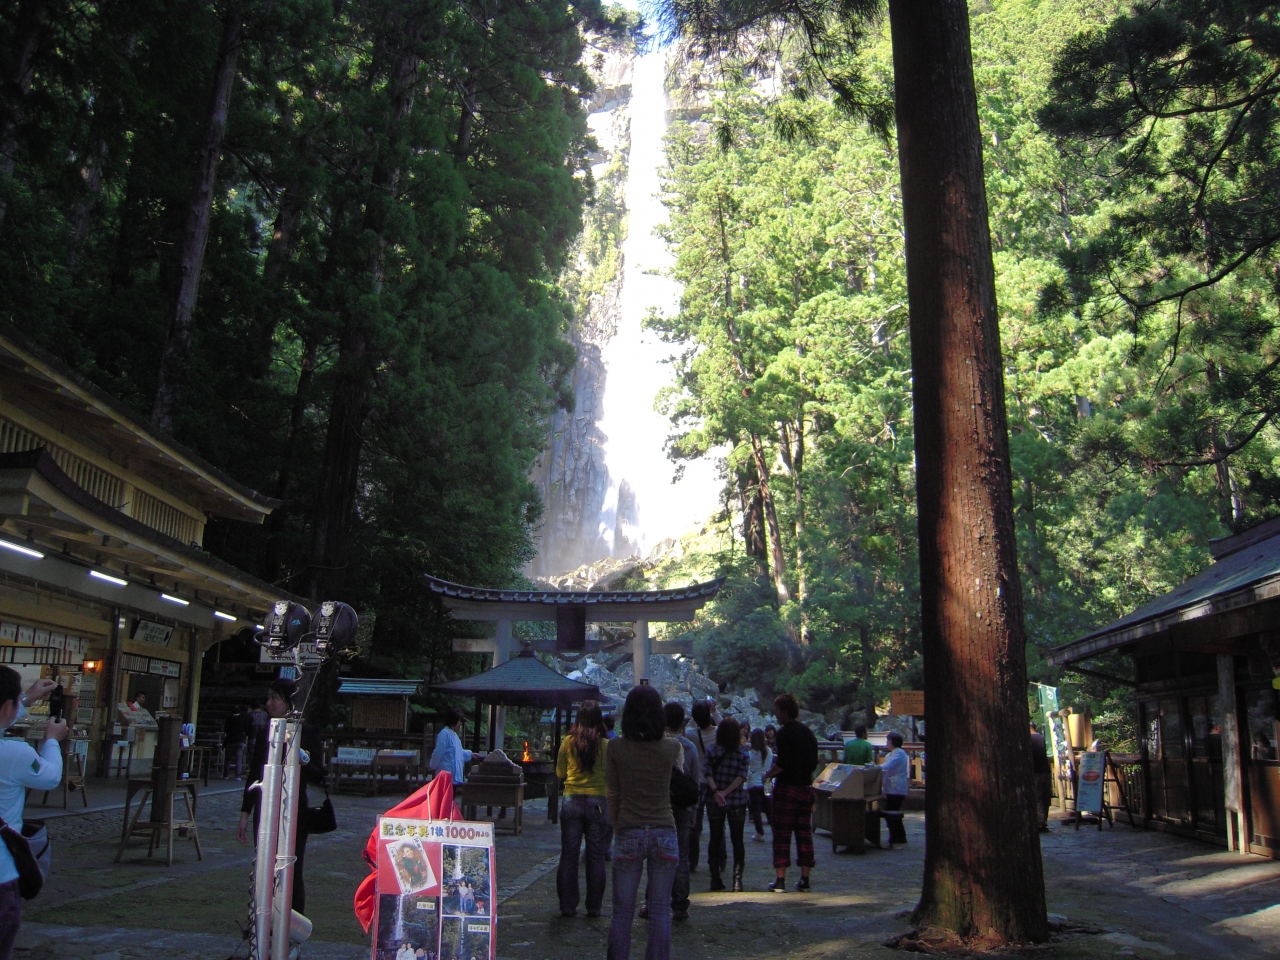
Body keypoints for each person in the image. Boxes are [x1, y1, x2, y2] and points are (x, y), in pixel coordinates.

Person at [605, 684, 682, 960]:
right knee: (660, 909)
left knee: (622, 912)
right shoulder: (672, 748)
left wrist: (618, 825)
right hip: (664, 829)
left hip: (629, 828)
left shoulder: (616, 748)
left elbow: (613, 793)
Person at [237, 678, 325, 913]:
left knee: (291, 870)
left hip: (294, 809)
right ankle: (262, 920)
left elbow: (318, 775)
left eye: (275, 698)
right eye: (269, 697)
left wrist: (300, 756)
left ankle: (292, 923)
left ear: (289, 703)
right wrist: (245, 812)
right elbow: (255, 772)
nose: (269, 703)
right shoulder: (266, 730)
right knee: (264, 867)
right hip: (265, 808)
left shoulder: (305, 732)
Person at [0, 671, 64, 960]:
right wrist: (52, 740)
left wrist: (25, 698)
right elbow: (51, 777)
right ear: (7, 707)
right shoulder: (15, 754)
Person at [555, 699, 610, 918]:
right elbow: (610, 775)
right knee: (596, 856)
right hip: (597, 802)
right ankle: (594, 906)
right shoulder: (605, 745)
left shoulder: (568, 742)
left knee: (569, 854)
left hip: (572, 800)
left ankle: (568, 905)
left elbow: (560, 773)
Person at [766, 692, 817, 892]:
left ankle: (780, 880)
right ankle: (805, 879)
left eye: (778, 711)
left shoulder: (784, 733)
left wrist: (768, 774)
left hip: (787, 788)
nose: (776, 715)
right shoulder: (808, 733)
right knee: (804, 834)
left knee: (782, 834)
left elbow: (783, 762)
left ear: (785, 712)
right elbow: (813, 762)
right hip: (805, 787)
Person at [703, 716, 750, 892]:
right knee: (737, 840)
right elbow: (742, 776)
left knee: (715, 838)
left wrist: (717, 792)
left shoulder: (712, 750)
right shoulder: (742, 752)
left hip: (714, 799)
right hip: (736, 799)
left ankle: (715, 878)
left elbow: (707, 773)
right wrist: (727, 792)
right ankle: (737, 880)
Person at [664, 701, 700, 920]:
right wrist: (694, 810)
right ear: (682, 723)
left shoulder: (656, 744)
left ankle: (653, 900)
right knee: (682, 855)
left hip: (660, 805)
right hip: (684, 806)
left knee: (657, 855)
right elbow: (695, 781)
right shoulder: (689, 747)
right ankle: (680, 904)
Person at [686, 700, 716, 872]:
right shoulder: (718, 733)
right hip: (714, 783)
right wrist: (715, 711)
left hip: (697, 781)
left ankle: (692, 860)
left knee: (694, 825)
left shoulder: (691, 734)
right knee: (716, 823)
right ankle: (718, 859)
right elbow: (724, 725)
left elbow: (682, 734)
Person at [880, 732, 910, 845]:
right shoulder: (890, 754)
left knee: (891, 811)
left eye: (888, 740)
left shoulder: (899, 753)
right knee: (892, 811)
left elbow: (889, 766)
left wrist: (876, 767)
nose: (887, 743)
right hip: (891, 787)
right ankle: (898, 835)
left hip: (897, 787)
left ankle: (897, 836)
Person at [429, 708, 473, 785]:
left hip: (453, 775)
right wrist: (432, 765)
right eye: (459, 721)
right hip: (446, 773)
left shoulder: (454, 735)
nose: (460, 723)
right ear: (453, 720)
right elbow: (438, 752)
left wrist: (471, 754)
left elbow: (458, 752)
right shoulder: (444, 734)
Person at [746, 728, 772, 842]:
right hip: (766, 781)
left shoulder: (751, 754)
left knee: (756, 808)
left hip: (754, 782)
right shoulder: (768, 751)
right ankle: (775, 830)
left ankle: (759, 832)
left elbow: (749, 768)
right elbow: (768, 767)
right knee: (769, 807)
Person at [1030, 722, 1052, 832]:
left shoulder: (1029, 739)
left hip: (1035, 771)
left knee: (1037, 798)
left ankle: (1040, 822)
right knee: (1045, 797)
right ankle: (1044, 821)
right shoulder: (1041, 738)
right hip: (1045, 771)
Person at [223, 704, 248, 780]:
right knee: (239, 759)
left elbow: (226, 729)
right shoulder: (242, 719)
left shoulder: (229, 718)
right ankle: (238, 775)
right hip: (240, 740)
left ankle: (226, 775)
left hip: (230, 740)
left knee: (228, 758)